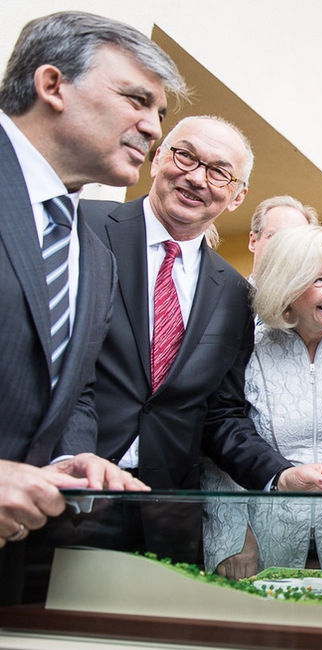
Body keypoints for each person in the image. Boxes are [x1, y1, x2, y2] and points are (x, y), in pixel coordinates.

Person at [71, 116, 322, 559]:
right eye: (185, 156)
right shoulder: (80, 228)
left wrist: (279, 476)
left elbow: (220, 416)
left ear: (236, 195)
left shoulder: (234, 296)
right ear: (157, 159)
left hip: (166, 515)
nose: (196, 178)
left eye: (219, 171)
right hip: (60, 493)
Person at [0, 10, 182, 564]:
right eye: (136, 100)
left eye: (159, 112)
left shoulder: (93, 253)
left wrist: (69, 460)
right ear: (52, 84)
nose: (154, 129)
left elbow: (71, 388)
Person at [202, 224, 322, 579]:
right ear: (288, 284)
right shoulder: (247, 345)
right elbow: (219, 444)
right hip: (264, 545)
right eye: (320, 279)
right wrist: (233, 538)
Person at [247, 195, 318, 274]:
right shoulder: (231, 285)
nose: (284, 247)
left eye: (296, 241)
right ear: (253, 242)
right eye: (275, 237)